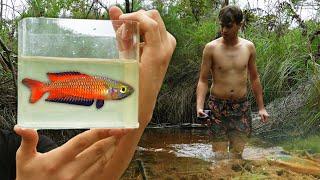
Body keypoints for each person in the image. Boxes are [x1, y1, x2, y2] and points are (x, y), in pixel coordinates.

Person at [0, 6, 176, 180]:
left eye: (123, 90)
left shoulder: (25, 149)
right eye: (122, 90)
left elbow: (97, 171)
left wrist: (138, 110)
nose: (124, 92)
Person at [196, 5, 269, 159]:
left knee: (237, 156)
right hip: (217, 108)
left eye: (228, 26)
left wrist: (261, 108)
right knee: (220, 157)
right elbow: (203, 80)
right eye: (222, 25)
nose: (224, 30)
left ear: (239, 24)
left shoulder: (248, 47)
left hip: (241, 107)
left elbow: (254, 78)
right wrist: (199, 106)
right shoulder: (211, 48)